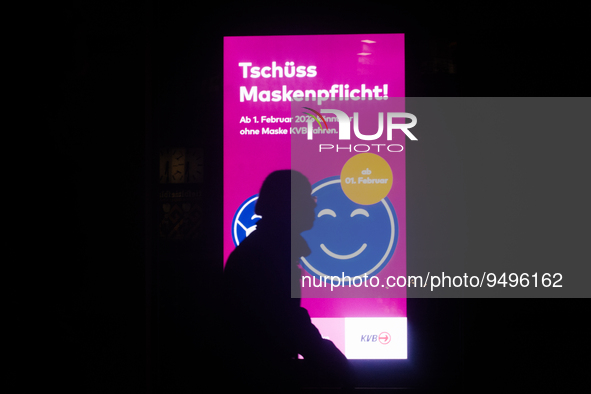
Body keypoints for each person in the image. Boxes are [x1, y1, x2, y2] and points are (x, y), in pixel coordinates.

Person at [222, 170, 353, 389]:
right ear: (289, 205)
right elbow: (289, 321)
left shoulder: (260, 250)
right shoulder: (269, 255)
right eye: (308, 198)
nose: (313, 205)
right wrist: (335, 364)